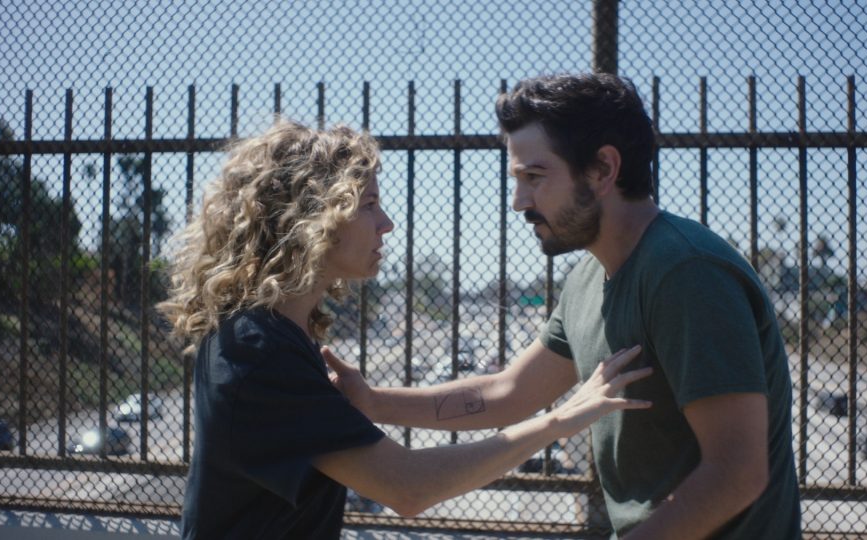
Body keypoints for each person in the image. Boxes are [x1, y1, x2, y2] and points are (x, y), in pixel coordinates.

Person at [327, 73, 802, 539]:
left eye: (534, 177)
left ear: (602, 170)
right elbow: (510, 392)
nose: (519, 201)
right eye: (517, 180)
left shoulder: (685, 272)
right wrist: (373, 402)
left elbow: (736, 474)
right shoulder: (590, 278)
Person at [157, 119, 653, 540]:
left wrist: (372, 402)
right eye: (369, 204)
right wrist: (562, 420)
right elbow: (408, 487)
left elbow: (506, 391)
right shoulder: (259, 348)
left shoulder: (269, 334)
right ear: (314, 217)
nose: (387, 223)